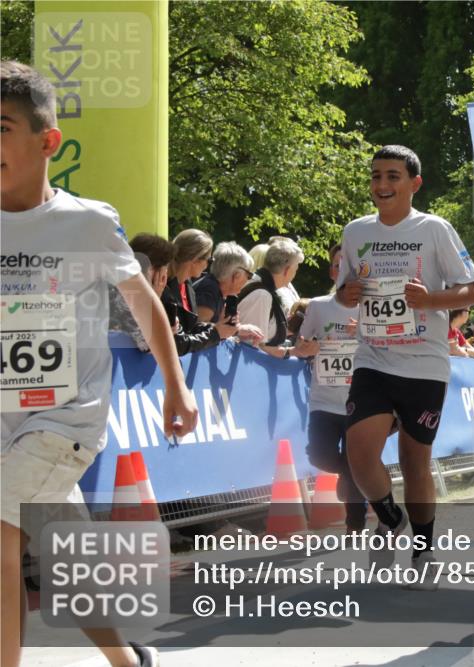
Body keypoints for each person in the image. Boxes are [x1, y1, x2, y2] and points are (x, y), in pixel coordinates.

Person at [1, 60, 198, 667]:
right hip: (3, 422)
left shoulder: (87, 222)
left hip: (64, 420)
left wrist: (176, 385)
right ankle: (129, 659)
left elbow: (144, 303)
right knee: (65, 556)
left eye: (2, 127)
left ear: (47, 140)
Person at [336, 145, 474, 584]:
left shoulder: (434, 228)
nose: (382, 185)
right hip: (373, 358)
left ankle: (423, 549)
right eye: (377, 176)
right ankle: (389, 516)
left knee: (415, 460)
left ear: (414, 183)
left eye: (393, 176)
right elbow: (344, 292)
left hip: (423, 362)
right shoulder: (355, 232)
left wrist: (431, 299)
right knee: (358, 452)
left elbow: (471, 290)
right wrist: (350, 294)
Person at [300, 243, 367, 534]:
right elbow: (300, 347)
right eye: (338, 265)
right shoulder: (317, 306)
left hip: (360, 400)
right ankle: (349, 472)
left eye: (349, 265)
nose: (344, 271)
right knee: (320, 456)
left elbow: (392, 346)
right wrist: (309, 347)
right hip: (324, 400)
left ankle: (356, 524)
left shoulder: (373, 308)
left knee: (356, 461)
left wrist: (363, 332)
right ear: (332, 271)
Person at [110, 234, 262, 353]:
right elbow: (149, 345)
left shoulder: (178, 289)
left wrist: (221, 330)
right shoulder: (120, 295)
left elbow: (183, 331)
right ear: (153, 271)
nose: (165, 277)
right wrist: (215, 333)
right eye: (164, 269)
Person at [236, 237, 317, 360]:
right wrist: (295, 351)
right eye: (295, 270)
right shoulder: (262, 295)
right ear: (287, 270)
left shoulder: (260, 286)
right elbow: (254, 348)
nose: (294, 276)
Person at [193, 241, 255, 323]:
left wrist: (238, 330)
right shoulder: (209, 290)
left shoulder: (215, 288)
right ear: (237, 275)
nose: (248, 280)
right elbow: (198, 329)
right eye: (249, 275)